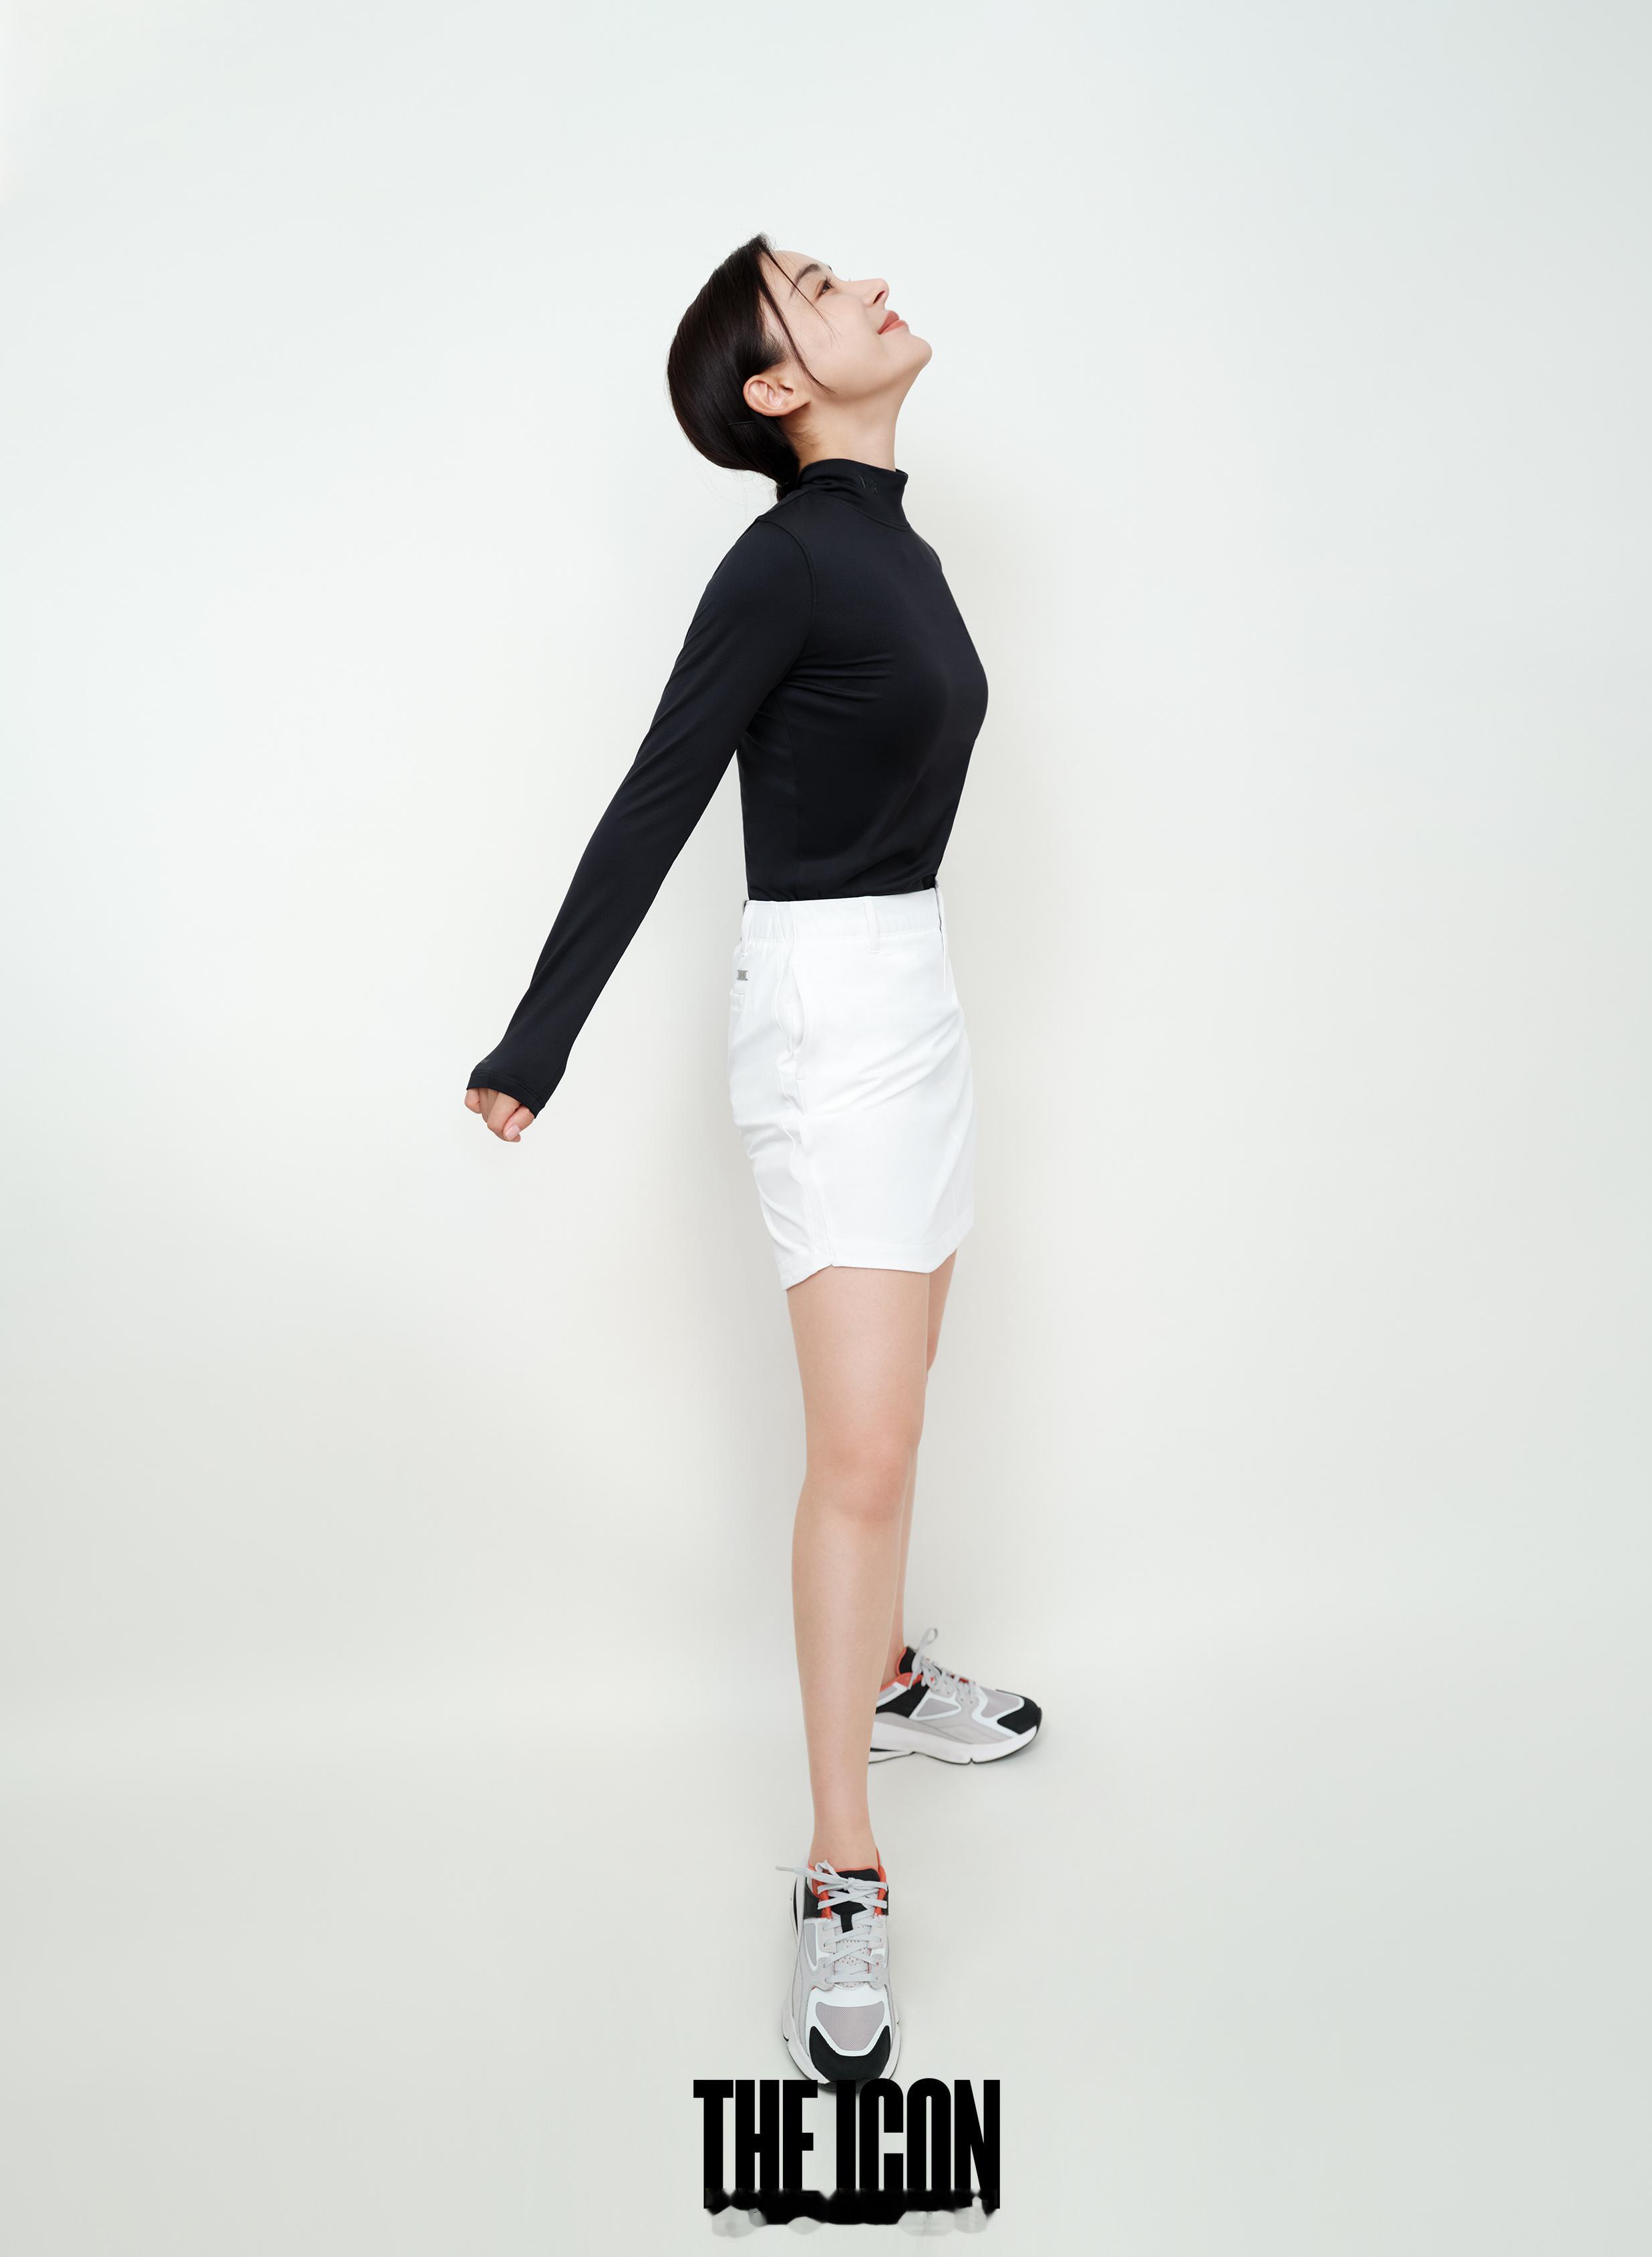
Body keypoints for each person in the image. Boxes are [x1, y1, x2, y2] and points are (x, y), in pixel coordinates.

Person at [464, 235, 1041, 2085]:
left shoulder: (895, 543)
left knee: (904, 1400)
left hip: (910, 985)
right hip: (830, 1014)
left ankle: (883, 1677)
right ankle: (840, 1862)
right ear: (777, 388)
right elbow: (660, 788)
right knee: (857, 1451)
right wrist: (536, 1037)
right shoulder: (783, 561)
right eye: (812, 288)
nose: (861, 285)